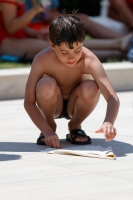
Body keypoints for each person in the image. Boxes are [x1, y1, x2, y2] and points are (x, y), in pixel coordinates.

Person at [24, 15, 120, 148]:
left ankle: (75, 125)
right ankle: (50, 125)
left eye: (77, 50)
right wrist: (47, 131)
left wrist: (108, 122)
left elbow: (112, 97)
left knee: (91, 86)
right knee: (46, 84)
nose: (72, 57)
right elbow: (28, 102)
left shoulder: (89, 60)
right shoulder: (42, 59)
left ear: (82, 43)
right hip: (52, 104)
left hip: (76, 105)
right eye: (64, 52)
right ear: (52, 44)